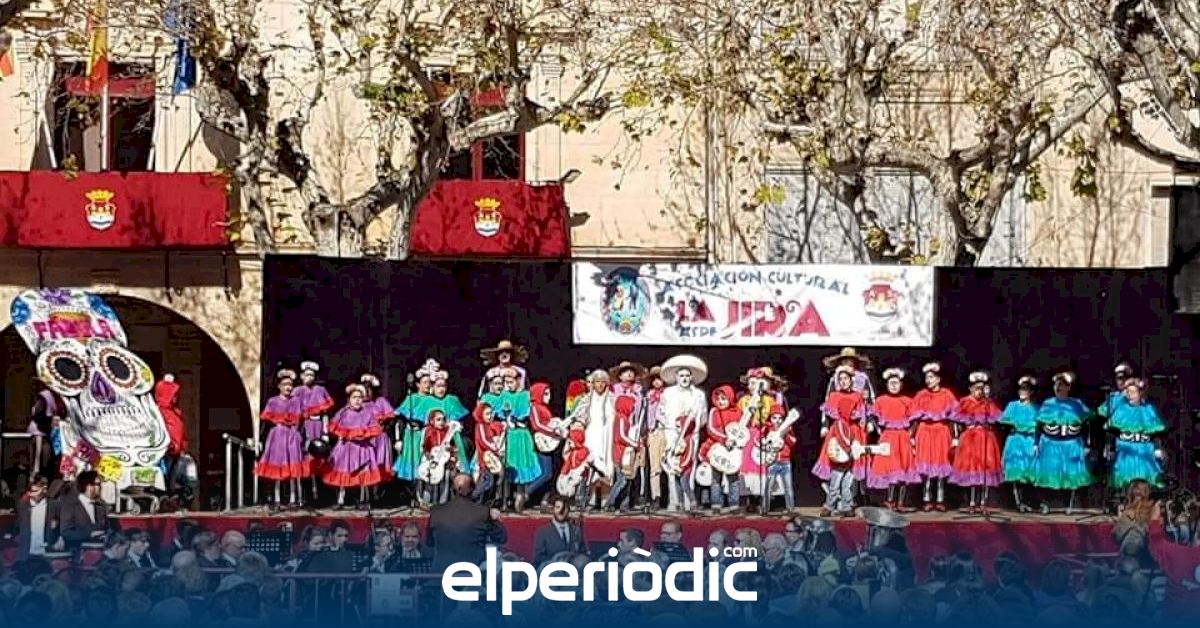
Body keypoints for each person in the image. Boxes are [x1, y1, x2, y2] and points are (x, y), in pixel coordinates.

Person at [1033, 371, 1093, 515]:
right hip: (1050, 444)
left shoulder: (1076, 404)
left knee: (1069, 475)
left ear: (1068, 387)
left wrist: (1087, 445)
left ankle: (1068, 504)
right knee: (1049, 475)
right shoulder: (1048, 403)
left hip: (1071, 444)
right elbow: (1039, 425)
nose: (1059, 388)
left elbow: (1086, 425)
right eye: (1057, 385)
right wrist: (1036, 443)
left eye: (1063, 385)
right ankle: (1045, 504)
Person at [325, 383, 389, 510]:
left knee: (363, 474)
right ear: (349, 399)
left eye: (360, 397)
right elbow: (334, 426)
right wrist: (342, 435)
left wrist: (365, 435)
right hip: (346, 448)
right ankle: (341, 500)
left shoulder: (367, 413)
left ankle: (363, 499)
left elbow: (374, 428)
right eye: (354, 397)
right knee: (343, 473)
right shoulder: (343, 412)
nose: (357, 400)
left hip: (362, 448)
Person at [658, 354, 708, 513]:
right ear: (676, 377)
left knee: (688, 468)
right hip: (672, 433)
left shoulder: (699, 395)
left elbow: (704, 417)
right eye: (681, 375)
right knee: (672, 467)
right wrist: (671, 425)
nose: (684, 378)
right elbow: (660, 413)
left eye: (687, 375)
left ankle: (688, 502)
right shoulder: (667, 393)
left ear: (691, 377)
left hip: (691, 435)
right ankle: (674, 502)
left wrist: (692, 427)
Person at [426, 474, 507, 572]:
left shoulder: (437, 511)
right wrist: (494, 518)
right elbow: (501, 538)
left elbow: (429, 542)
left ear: (452, 490)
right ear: (473, 490)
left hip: (441, 574)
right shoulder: (483, 512)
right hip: (474, 574)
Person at [815, 366, 867, 517]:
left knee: (849, 476)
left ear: (851, 380)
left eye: (846, 379)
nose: (843, 381)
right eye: (841, 379)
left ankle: (847, 506)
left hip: (853, 432)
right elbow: (828, 415)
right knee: (837, 474)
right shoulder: (834, 396)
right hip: (837, 432)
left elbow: (861, 417)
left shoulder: (857, 396)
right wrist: (826, 427)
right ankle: (829, 505)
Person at [950, 371, 1003, 513]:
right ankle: (972, 502)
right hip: (970, 439)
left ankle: (983, 502)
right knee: (972, 469)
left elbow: (998, 417)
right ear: (971, 388)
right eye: (976, 388)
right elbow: (954, 419)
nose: (979, 391)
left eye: (982, 388)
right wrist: (955, 438)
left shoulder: (988, 402)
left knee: (986, 469)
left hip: (986, 439)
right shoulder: (964, 401)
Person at [567, 369, 619, 509]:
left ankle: (605, 500)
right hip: (591, 437)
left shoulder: (613, 399)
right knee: (592, 466)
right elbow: (576, 416)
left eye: (603, 382)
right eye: (597, 382)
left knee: (607, 466)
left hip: (607, 438)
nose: (600, 385)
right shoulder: (587, 399)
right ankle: (591, 499)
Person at [255, 369, 306, 510]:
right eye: (285, 384)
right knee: (277, 467)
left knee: (293, 467)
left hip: (292, 435)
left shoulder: (296, 401)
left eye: (290, 385)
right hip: (277, 435)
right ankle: (276, 499)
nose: (288, 387)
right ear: (279, 386)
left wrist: (298, 435)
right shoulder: (272, 401)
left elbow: (300, 419)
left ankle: (293, 499)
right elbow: (266, 419)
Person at [911, 362, 958, 512]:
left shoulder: (947, 395)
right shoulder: (921, 395)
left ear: (938, 379)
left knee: (940, 466)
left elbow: (954, 418)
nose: (928, 380)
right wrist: (911, 436)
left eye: (931, 377)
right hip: (925, 432)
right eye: (926, 377)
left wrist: (955, 437)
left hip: (941, 432)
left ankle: (940, 499)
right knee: (926, 467)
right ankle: (926, 499)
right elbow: (914, 418)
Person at [869, 368, 917, 511]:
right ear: (887, 385)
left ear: (901, 385)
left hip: (903, 437)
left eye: (896, 383)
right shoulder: (881, 400)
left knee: (903, 468)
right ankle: (889, 501)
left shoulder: (907, 401)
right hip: (888, 437)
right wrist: (879, 430)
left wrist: (911, 434)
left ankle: (901, 503)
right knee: (890, 468)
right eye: (891, 383)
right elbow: (873, 416)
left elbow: (915, 419)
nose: (894, 386)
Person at [1105, 378, 1167, 490]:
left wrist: (1157, 448)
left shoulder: (1148, 409)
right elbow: (1113, 431)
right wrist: (1111, 448)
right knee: (1124, 479)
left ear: (1140, 393)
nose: (1130, 395)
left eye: (1133, 392)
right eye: (1128, 392)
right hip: (1125, 449)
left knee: (1144, 478)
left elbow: (1156, 432)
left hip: (1144, 450)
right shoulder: (1121, 410)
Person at [702, 384, 745, 513]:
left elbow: (742, 430)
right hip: (718, 447)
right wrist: (724, 439)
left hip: (733, 449)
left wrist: (737, 442)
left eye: (724, 399)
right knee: (716, 478)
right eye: (718, 399)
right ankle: (716, 504)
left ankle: (734, 504)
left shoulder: (738, 412)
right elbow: (711, 429)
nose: (720, 402)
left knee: (733, 478)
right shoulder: (714, 411)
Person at [1000, 376, 1040, 512]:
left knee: (1028, 472)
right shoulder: (1012, 405)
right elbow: (1004, 420)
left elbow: (1037, 425)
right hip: (1015, 441)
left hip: (1029, 442)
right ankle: (1019, 503)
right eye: (1021, 389)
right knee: (1015, 472)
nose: (1022, 392)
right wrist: (1016, 425)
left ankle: (1029, 502)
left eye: (1026, 389)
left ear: (1031, 391)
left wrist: (1024, 427)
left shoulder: (1036, 408)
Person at [296, 361, 334, 502]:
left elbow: (325, 413)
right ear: (302, 376)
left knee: (320, 459)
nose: (309, 377)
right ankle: (305, 495)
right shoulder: (297, 391)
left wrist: (325, 432)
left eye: (312, 375)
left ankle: (320, 495)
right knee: (306, 459)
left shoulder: (320, 390)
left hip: (318, 426)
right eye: (307, 375)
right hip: (305, 427)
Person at [58, 470, 108, 547]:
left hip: (99, 549)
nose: (100, 487)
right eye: (97, 484)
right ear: (88, 486)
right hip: (78, 550)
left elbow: (107, 527)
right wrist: (89, 534)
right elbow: (66, 532)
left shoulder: (100, 506)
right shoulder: (71, 505)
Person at [533, 495, 585, 565]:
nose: (561, 511)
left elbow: (582, 553)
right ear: (553, 509)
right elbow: (538, 558)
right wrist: (555, 561)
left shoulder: (576, 530)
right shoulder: (543, 531)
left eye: (564, 508)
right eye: (558, 507)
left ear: (568, 510)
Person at [16, 475, 57, 561]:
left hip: (47, 555)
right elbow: (18, 526)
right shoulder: (23, 504)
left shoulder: (53, 505)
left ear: (44, 489)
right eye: (30, 491)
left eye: (35, 491)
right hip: (26, 555)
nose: (31, 494)